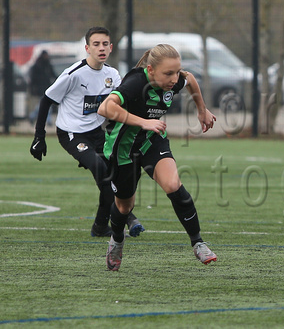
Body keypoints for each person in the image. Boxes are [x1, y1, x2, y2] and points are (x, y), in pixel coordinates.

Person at [97, 44, 217, 271]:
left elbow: (189, 79)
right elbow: (105, 108)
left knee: (173, 184)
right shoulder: (135, 84)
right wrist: (143, 121)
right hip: (122, 148)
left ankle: (198, 243)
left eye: (176, 72)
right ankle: (117, 240)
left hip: (152, 141)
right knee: (124, 206)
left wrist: (202, 109)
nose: (174, 78)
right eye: (168, 73)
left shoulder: (177, 79)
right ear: (150, 70)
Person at [29, 26, 144, 238]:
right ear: (87, 48)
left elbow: (123, 101)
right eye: (96, 44)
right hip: (71, 134)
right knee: (102, 172)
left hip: (97, 133)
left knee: (116, 173)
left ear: (111, 47)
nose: (101, 48)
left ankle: (106, 224)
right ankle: (120, 219)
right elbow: (46, 100)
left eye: (105, 44)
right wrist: (39, 136)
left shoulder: (112, 75)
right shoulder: (73, 74)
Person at [28, 50, 57, 124]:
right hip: (40, 88)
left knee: (43, 104)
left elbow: (53, 75)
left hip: (46, 87)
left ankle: (32, 116)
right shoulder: (38, 66)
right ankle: (48, 120)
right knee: (45, 103)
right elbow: (33, 79)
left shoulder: (47, 65)